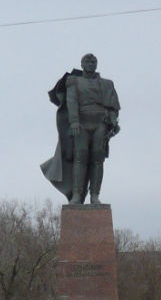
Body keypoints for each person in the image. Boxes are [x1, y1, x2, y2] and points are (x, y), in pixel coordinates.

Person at [40, 53, 120, 205]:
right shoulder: (74, 81)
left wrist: (113, 121)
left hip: (100, 124)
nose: (90, 64)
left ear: (97, 64)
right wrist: (75, 122)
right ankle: (77, 195)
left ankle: (95, 195)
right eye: (87, 61)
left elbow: (113, 107)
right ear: (82, 64)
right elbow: (71, 102)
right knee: (80, 158)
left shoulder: (107, 84)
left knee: (97, 160)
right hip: (81, 125)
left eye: (93, 61)